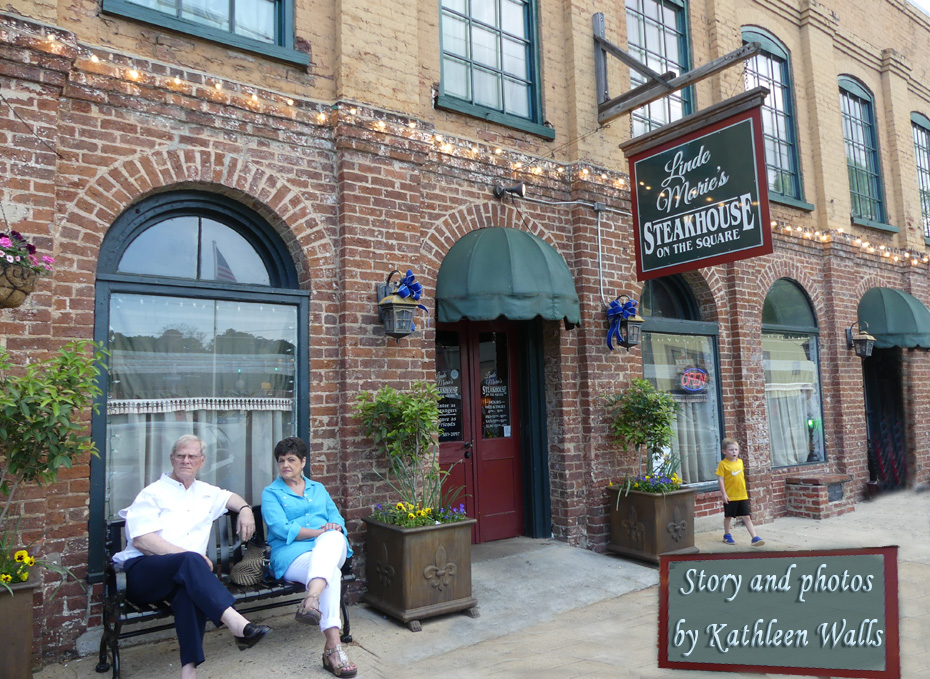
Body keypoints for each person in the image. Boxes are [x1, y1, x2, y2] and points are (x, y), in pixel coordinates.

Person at [113, 434, 271, 679]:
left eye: (192, 456)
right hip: (142, 573)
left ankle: (189, 672)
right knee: (192, 562)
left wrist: (245, 509)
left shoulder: (206, 493)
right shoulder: (152, 493)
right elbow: (143, 540)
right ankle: (237, 624)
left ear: (202, 461)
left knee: (189, 592)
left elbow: (230, 498)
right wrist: (191, 557)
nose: (186, 460)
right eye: (181, 455)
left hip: (184, 577)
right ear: (172, 459)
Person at [261, 436, 357, 678]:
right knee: (332, 573)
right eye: (281, 460)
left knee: (334, 537)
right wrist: (319, 532)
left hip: (327, 548)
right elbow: (281, 529)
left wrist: (329, 532)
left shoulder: (318, 489)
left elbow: (338, 522)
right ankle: (333, 649)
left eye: (291, 460)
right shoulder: (271, 493)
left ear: (303, 461)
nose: (285, 465)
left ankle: (311, 599)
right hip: (291, 554)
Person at [716, 437, 765, 547]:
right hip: (730, 496)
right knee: (728, 517)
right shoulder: (723, 464)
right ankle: (727, 535)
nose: (734, 452)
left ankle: (754, 537)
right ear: (724, 451)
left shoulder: (740, 462)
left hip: (742, 495)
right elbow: (721, 479)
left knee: (746, 516)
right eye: (731, 450)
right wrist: (724, 494)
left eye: (736, 450)